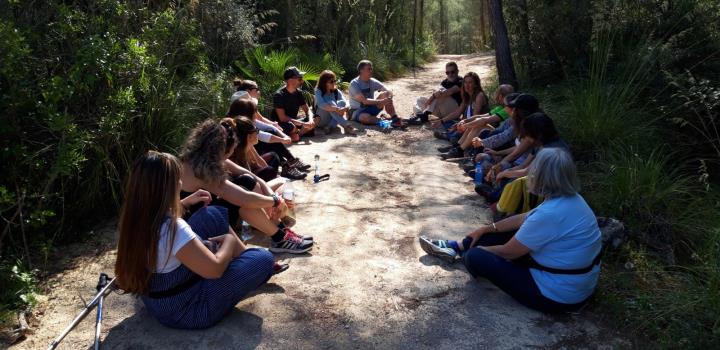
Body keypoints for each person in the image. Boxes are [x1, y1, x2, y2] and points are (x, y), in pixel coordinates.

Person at [419, 147, 601, 313]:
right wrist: (486, 229)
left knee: (476, 257)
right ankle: (456, 246)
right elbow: (524, 218)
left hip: (557, 296)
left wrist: (481, 250)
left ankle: (462, 251)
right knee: (496, 231)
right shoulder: (571, 199)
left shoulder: (550, 214)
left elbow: (509, 252)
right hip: (571, 282)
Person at [115, 151, 276, 329]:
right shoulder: (174, 229)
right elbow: (214, 270)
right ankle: (244, 268)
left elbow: (160, 223)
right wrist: (229, 242)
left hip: (158, 301)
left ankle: (241, 267)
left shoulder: (131, 218)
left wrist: (184, 203)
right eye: (177, 179)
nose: (181, 183)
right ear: (167, 188)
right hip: (190, 310)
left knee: (211, 214)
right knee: (263, 259)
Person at [179, 119, 313, 254]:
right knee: (244, 198)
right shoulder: (202, 170)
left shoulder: (199, 157)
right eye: (230, 151)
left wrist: (271, 196)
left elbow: (248, 174)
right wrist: (275, 201)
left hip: (207, 213)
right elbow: (244, 199)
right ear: (220, 150)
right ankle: (279, 237)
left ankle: (280, 230)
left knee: (246, 180)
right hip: (197, 225)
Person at [227, 98, 308, 180]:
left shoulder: (244, 123)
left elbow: (267, 128)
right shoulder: (240, 132)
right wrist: (282, 139)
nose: (256, 115)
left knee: (273, 154)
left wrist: (282, 136)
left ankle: (287, 164)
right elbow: (262, 136)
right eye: (254, 113)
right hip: (244, 172)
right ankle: (288, 163)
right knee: (267, 141)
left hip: (250, 163)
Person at [438, 84, 515, 153]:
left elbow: (484, 120)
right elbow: (481, 116)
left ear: (500, 96)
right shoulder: (501, 107)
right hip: (498, 133)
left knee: (478, 125)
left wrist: (465, 125)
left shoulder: (507, 110)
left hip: (501, 138)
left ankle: (460, 150)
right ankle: (457, 146)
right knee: (476, 123)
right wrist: (465, 121)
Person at [432, 72, 489, 150]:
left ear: (476, 84)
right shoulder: (467, 96)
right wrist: (441, 121)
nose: (467, 85)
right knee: (448, 123)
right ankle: (450, 135)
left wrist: (462, 125)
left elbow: (475, 118)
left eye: (470, 82)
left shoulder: (479, 96)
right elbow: (457, 112)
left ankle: (450, 137)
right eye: (465, 82)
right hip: (466, 123)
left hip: (475, 126)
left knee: (455, 133)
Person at [348, 60, 406, 128]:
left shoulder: (372, 81)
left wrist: (389, 98)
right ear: (361, 70)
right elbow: (364, 101)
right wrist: (382, 101)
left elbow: (388, 90)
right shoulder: (354, 84)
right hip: (358, 111)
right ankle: (383, 121)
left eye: (371, 69)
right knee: (365, 118)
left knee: (386, 94)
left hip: (371, 108)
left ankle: (394, 118)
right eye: (369, 69)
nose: (371, 71)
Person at [271, 67, 316, 140]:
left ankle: (297, 134)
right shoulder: (279, 95)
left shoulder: (298, 93)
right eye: (300, 79)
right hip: (282, 124)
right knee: (291, 127)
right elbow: (282, 118)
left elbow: (307, 110)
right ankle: (297, 133)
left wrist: (310, 120)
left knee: (316, 118)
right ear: (290, 80)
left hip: (294, 121)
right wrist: (303, 124)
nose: (302, 81)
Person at [314, 70, 358, 135]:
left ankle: (329, 127)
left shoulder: (336, 91)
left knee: (342, 102)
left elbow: (346, 102)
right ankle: (346, 126)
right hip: (321, 119)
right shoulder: (318, 91)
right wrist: (337, 109)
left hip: (334, 118)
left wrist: (344, 109)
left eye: (335, 81)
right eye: (331, 82)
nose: (334, 83)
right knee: (331, 102)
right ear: (324, 82)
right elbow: (321, 104)